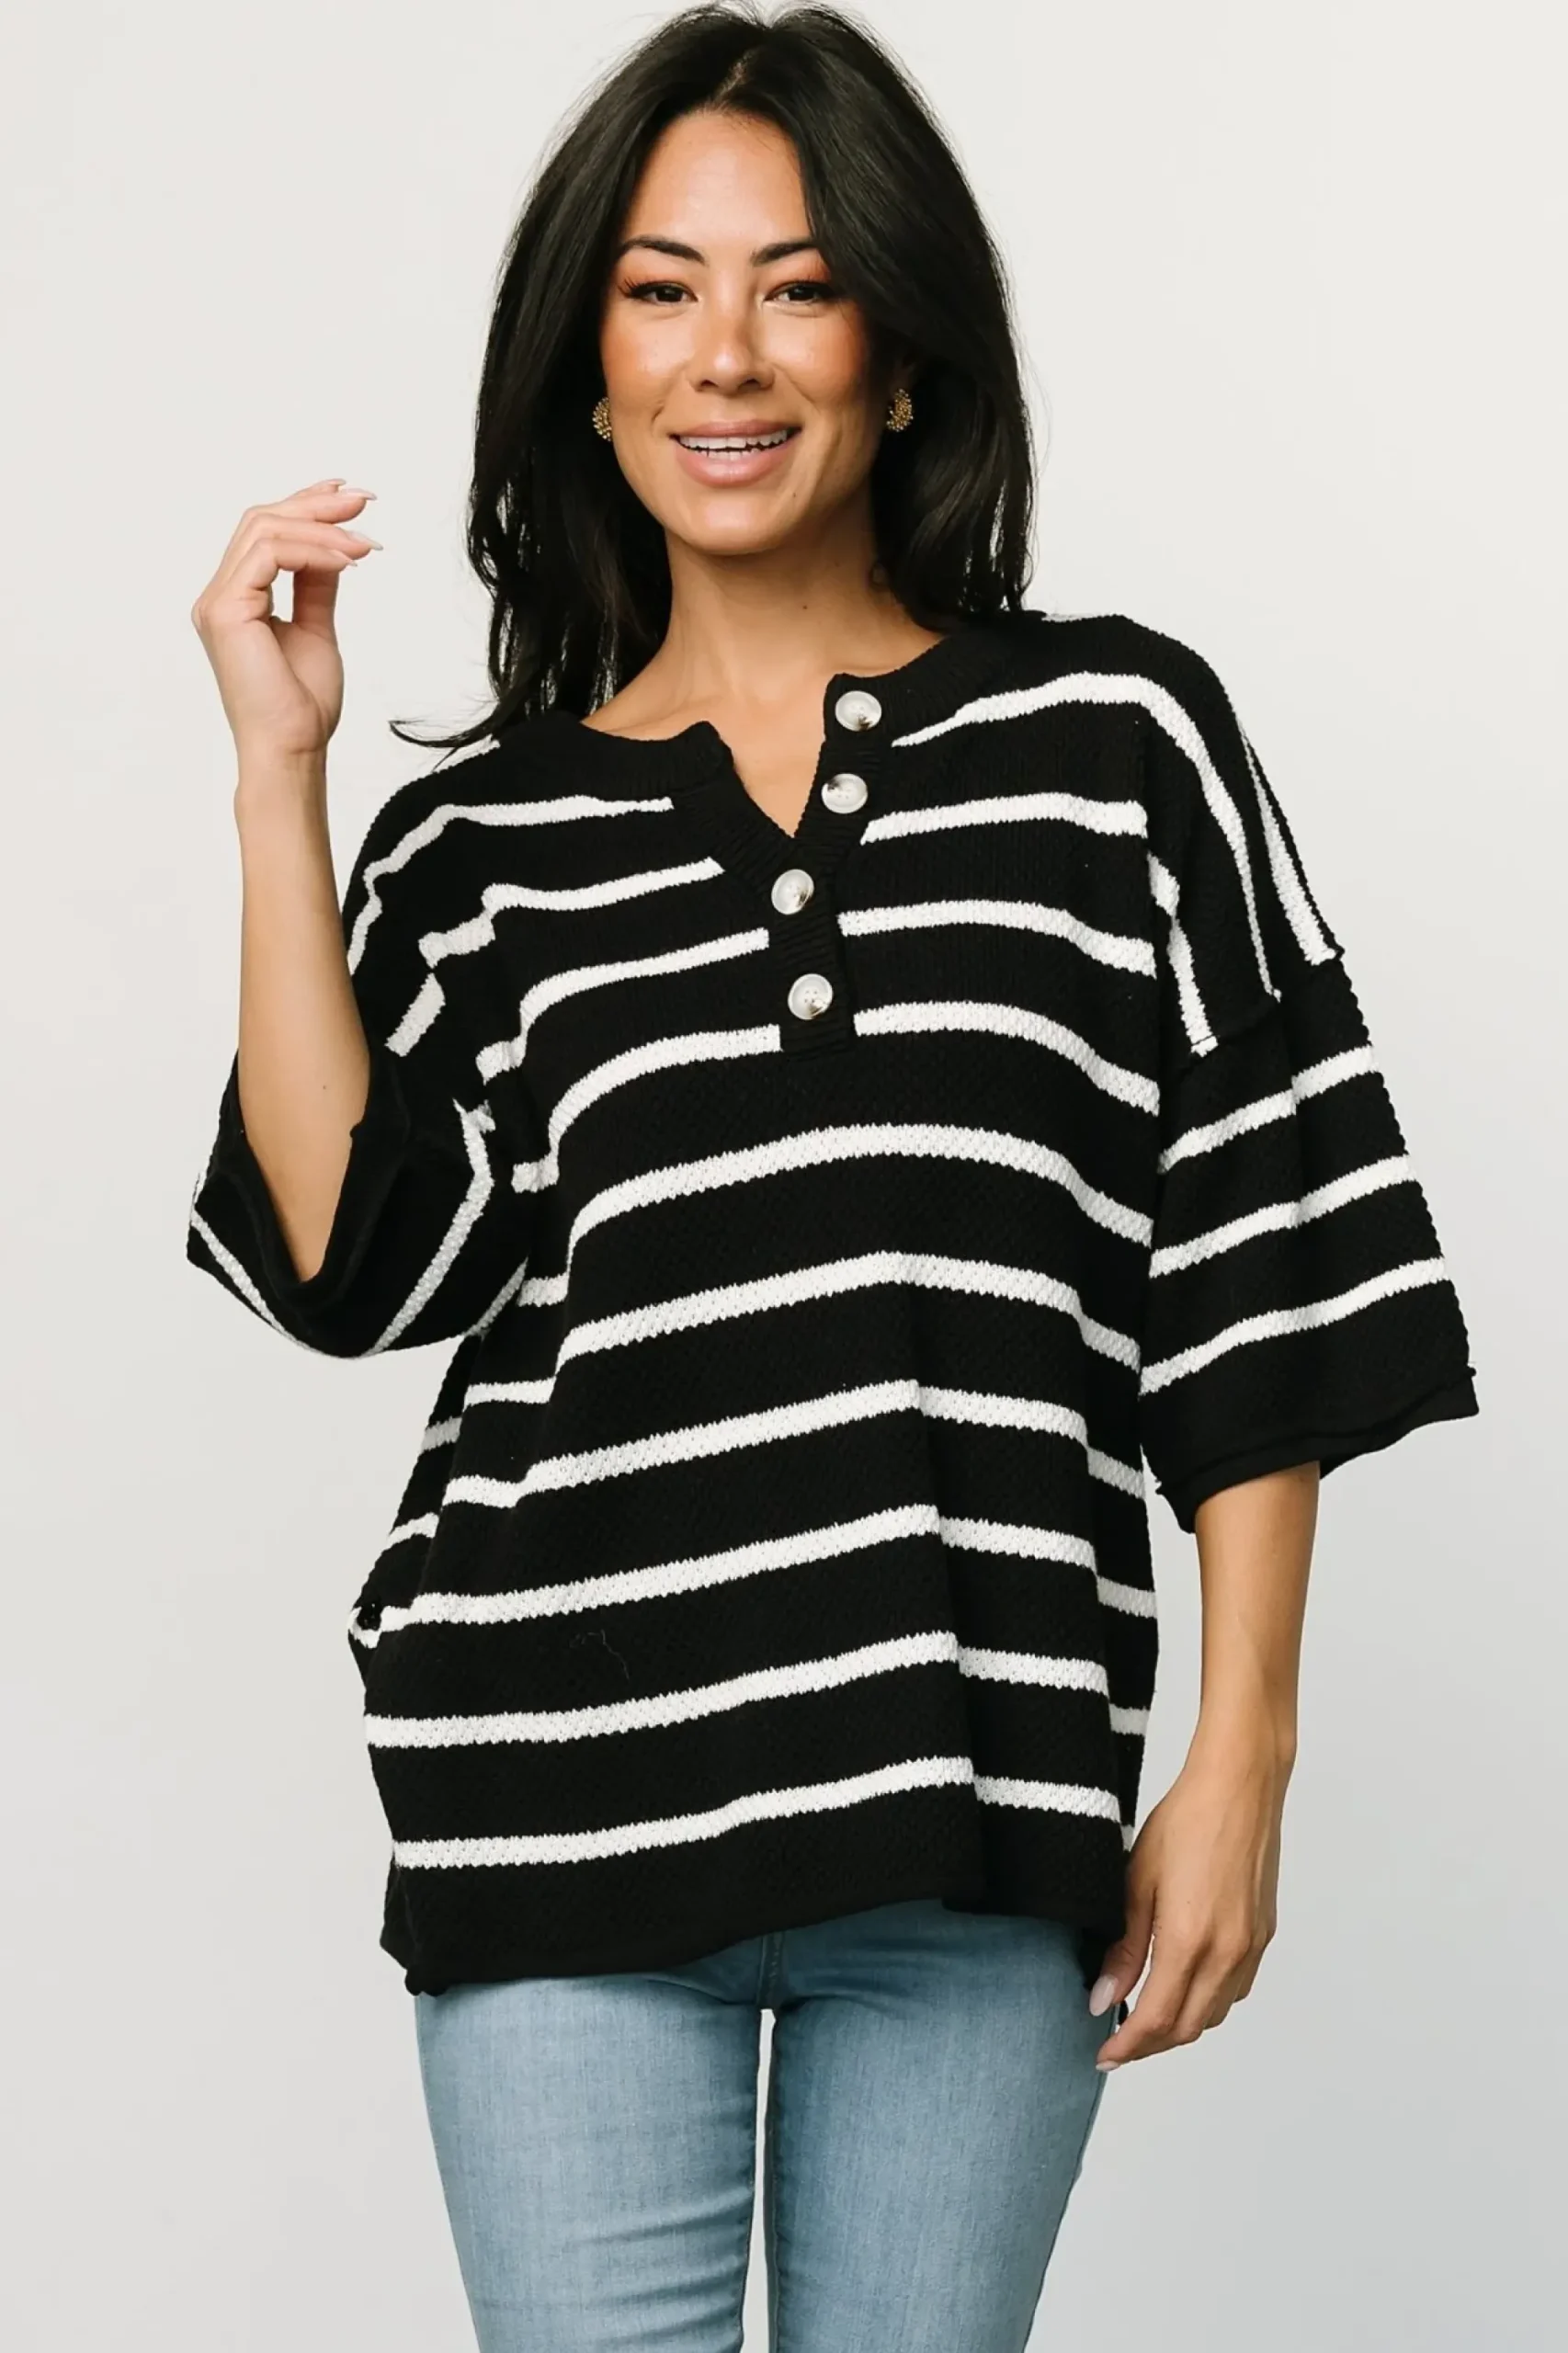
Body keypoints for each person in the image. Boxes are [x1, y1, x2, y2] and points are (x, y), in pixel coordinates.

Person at [184, 6, 1478, 2347]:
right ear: (587, 371)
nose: (728, 354)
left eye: (799, 286)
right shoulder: (479, 840)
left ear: (900, 356)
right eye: (660, 290)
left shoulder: (1116, 743)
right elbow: (346, 1259)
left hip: (978, 1805)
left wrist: (1243, 1749)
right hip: (560, 1809)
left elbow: (1255, 1260)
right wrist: (283, 781)